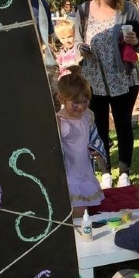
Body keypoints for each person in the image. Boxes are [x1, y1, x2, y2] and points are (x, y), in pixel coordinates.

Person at [75, 0, 139, 188]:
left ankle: (124, 171)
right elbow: (77, 42)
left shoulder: (128, 9)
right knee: (100, 126)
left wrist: (135, 42)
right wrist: (81, 49)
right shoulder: (84, 10)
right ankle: (105, 171)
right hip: (94, 80)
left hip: (123, 79)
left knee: (124, 123)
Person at [56, 74, 105, 217]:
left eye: (85, 101)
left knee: (86, 214)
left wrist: (95, 149)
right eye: (75, 103)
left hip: (84, 170)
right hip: (70, 175)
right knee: (78, 213)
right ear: (62, 99)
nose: (81, 106)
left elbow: (93, 136)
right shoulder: (60, 121)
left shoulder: (88, 115)